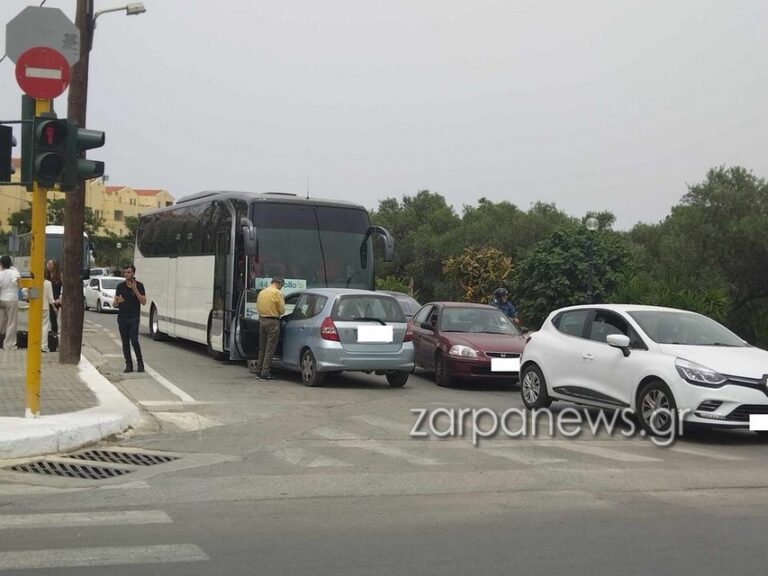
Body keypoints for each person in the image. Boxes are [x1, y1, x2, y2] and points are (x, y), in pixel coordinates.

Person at [113, 264, 146, 373]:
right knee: (125, 342)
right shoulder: (120, 286)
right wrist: (117, 302)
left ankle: (140, 363)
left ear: (133, 273)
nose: (127, 274)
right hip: (122, 318)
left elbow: (144, 301)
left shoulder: (140, 286)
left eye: (129, 272)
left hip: (134, 318)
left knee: (134, 340)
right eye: (125, 272)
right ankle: (129, 364)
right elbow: (114, 304)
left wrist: (135, 289)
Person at [253, 276, 285, 381]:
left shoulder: (262, 292)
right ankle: (265, 373)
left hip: (262, 320)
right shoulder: (277, 293)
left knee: (262, 347)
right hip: (273, 322)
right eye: (281, 286)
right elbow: (281, 310)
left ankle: (258, 370)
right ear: (279, 284)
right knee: (270, 348)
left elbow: (257, 306)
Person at [0, 255, 21, 350]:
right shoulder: (14, 272)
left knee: (2, 322)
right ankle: (9, 345)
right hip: (12, 300)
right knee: (11, 323)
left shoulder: (0, 273)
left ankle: (1, 341)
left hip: (2, 300)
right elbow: (18, 283)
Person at [41, 270, 56, 352]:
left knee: (36, 326)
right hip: (45, 307)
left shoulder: (34, 281)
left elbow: (24, 291)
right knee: (44, 327)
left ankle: (34, 344)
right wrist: (54, 308)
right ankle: (43, 346)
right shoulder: (48, 283)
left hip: (35, 307)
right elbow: (51, 298)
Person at [46, 260, 62, 334]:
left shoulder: (59, 276)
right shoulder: (46, 275)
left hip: (56, 299)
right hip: (47, 298)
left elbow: (64, 287)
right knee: (47, 317)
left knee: (53, 318)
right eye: (47, 263)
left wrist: (60, 298)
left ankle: (54, 333)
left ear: (54, 266)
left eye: (50, 264)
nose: (47, 265)